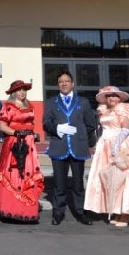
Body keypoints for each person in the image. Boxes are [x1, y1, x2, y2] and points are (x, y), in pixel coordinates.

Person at [84, 85, 129, 226]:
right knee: (110, 179)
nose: (111, 98)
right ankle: (116, 210)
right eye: (108, 96)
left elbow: (125, 129)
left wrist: (116, 145)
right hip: (105, 147)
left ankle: (126, 213)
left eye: (114, 95)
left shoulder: (122, 109)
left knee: (124, 179)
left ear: (119, 98)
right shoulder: (104, 110)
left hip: (120, 145)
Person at [42, 70, 98, 226]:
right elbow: (46, 123)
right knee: (59, 184)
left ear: (72, 84)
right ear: (58, 85)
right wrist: (58, 128)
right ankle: (58, 212)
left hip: (78, 147)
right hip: (59, 147)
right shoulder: (51, 102)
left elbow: (90, 124)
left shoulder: (83, 102)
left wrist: (80, 136)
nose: (64, 83)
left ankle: (80, 212)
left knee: (78, 184)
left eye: (67, 81)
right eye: (61, 81)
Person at [0, 79, 45, 223]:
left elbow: (30, 124)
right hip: (14, 143)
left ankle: (26, 210)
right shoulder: (8, 107)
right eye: (19, 90)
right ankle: (10, 208)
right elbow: (2, 126)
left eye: (24, 90)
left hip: (29, 144)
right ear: (13, 92)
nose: (22, 92)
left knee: (28, 172)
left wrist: (33, 134)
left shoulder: (29, 106)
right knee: (13, 172)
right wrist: (16, 133)